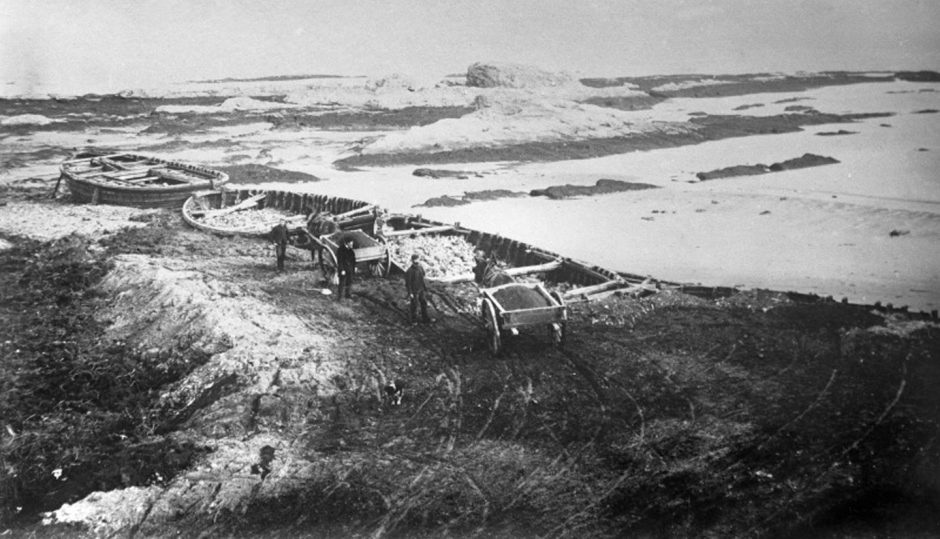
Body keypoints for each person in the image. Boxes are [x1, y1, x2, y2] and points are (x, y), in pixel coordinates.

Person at [405, 253, 431, 324]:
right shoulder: (409, 271)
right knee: (414, 306)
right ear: (412, 261)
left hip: (421, 289)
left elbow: (423, 275)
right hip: (414, 291)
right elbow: (408, 283)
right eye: (415, 261)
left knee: (424, 303)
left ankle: (425, 319)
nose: (416, 262)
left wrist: (424, 287)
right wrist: (410, 293)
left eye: (418, 260)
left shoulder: (420, 267)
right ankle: (414, 320)